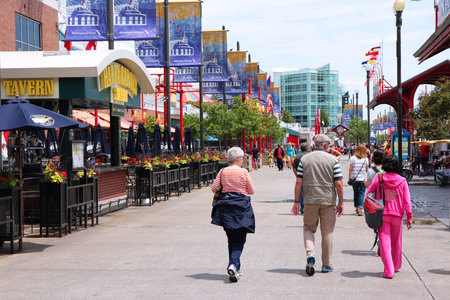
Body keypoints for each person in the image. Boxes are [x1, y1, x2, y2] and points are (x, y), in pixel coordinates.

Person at [291, 134, 344, 276]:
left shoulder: (304, 159)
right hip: (328, 200)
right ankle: (326, 264)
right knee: (327, 233)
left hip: (309, 199)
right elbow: (338, 183)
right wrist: (341, 202)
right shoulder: (333, 160)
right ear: (326, 145)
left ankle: (310, 254)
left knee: (308, 228)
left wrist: (296, 202)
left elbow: (298, 182)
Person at [211, 147, 256, 283]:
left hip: (225, 207)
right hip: (241, 207)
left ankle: (235, 266)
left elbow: (213, 188)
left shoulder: (223, 171)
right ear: (238, 158)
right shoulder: (243, 172)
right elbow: (251, 190)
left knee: (231, 237)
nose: (243, 160)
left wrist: (225, 186)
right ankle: (233, 265)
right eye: (242, 157)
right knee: (240, 238)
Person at [366, 155, 413, 279]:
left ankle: (388, 270)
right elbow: (407, 200)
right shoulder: (402, 180)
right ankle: (396, 265)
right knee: (397, 242)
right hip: (397, 215)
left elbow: (368, 193)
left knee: (384, 243)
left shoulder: (379, 178)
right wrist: (409, 216)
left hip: (382, 215)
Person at [348, 144, 369, 216]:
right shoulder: (366, 159)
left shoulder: (353, 158)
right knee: (361, 193)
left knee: (356, 193)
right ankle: (360, 209)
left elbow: (350, 169)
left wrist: (349, 178)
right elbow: (367, 170)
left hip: (354, 179)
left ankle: (357, 207)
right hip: (363, 179)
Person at [292, 142, 312, 214]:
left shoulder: (297, 156)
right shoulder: (311, 155)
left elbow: (294, 168)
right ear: (308, 148)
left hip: (301, 177)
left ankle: (303, 208)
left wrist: (298, 176)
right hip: (310, 177)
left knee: (301, 193)